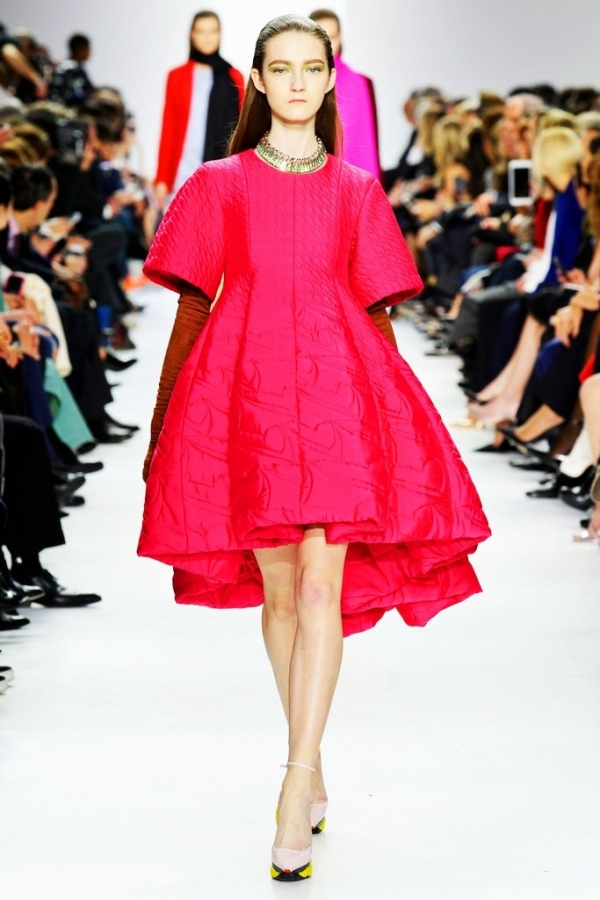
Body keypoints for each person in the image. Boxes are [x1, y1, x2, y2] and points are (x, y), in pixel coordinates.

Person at [139, 14, 490, 882]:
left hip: (337, 391)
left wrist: (398, 428)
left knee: (321, 585)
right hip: (246, 394)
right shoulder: (217, 183)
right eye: (281, 68)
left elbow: (378, 312)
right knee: (282, 596)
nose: (297, 82)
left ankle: (296, 782)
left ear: (331, 79)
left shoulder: (357, 189)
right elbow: (192, 304)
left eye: (311, 68)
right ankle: (313, 750)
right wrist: (164, 420)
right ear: (257, 81)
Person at [154, 10, 244, 207]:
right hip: (183, 170)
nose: (207, 37)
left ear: (220, 34)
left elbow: (240, 130)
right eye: (201, 31)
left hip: (220, 173)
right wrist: (162, 179)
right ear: (192, 35)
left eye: (213, 31)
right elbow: (169, 128)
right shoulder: (177, 77)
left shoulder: (234, 77)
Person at [310, 8, 380, 178]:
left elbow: (360, 144)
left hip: (346, 179)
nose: (327, 45)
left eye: (332, 37)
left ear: (340, 38)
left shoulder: (354, 82)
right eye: (321, 37)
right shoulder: (302, 80)